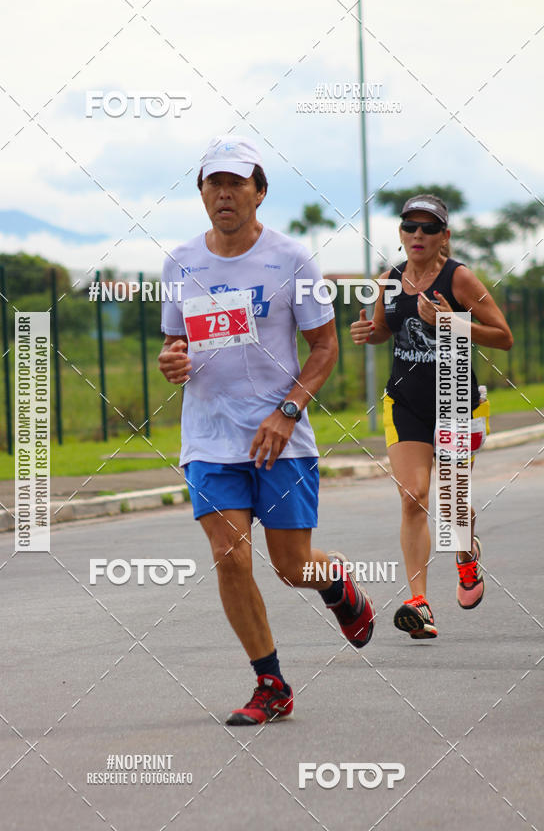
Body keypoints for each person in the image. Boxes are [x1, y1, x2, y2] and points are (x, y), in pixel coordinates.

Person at [159, 134, 375, 725]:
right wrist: (171, 361)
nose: (224, 193)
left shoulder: (292, 260)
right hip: (209, 437)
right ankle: (270, 683)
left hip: (280, 437)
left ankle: (336, 584)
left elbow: (325, 347)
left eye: (236, 183)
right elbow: (175, 343)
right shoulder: (179, 262)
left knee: (291, 567)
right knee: (230, 555)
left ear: (259, 192)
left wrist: (288, 411)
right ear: (201, 193)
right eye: (214, 183)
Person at [350, 194, 513, 639]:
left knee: (453, 505)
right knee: (412, 497)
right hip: (405, 404)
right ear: (401, 233)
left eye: (428, 228)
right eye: (410, 227)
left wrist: (452, 322)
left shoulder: (459, 278)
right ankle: (419, 603)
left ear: (445, 235)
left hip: (456, 400)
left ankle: (466, 554)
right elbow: (384, 330)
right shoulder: (389, 280)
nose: (418, 235)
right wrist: (368, 331)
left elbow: (503, 337)